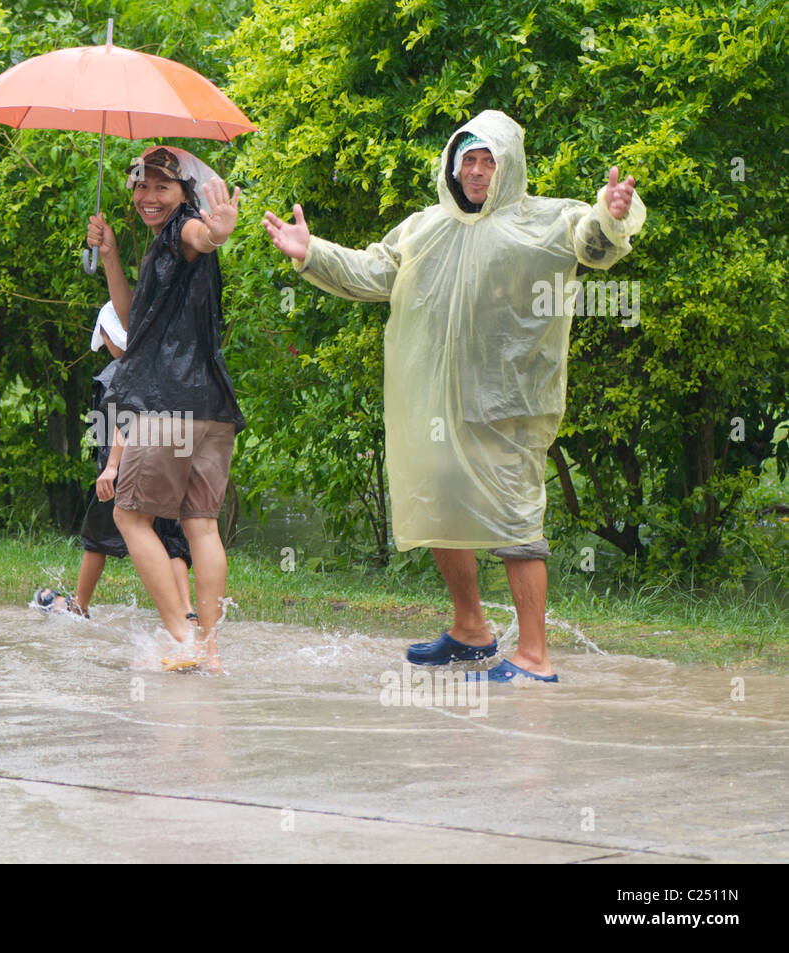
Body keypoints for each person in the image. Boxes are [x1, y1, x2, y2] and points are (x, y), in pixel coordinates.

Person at [263, 110, 645, 682]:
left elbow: (593, 244)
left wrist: (611, 217)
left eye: (490, 159)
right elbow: (376, 273)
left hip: (512, 405)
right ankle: (471, 629)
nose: (477, 170)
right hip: (439, 408)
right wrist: (311, 250)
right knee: (440, 502)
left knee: (518, 526)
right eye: (469, 158)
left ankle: (535, 655)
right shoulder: (424, 229)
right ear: (452, 162)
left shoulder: (544, 220)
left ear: (508, 165)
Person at [87, 146, 245, 673]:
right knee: (201, 524)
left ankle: (184, 639)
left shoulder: (183, 231)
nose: (147, 196)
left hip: (168, 405)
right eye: (140, 185)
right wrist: (110, 256)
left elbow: (202, 238)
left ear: (183, 194)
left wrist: (217, 230)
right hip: (211, 409)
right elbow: (134, 326)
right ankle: (211, 649)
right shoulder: (159, 246)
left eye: (161, 186)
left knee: (130, 516)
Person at [34, 302, 196, 621]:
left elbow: (117, 427)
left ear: (110, 334)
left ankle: (78, 604)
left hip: (126, 469)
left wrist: (109, 470)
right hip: (169, 466)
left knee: (96, 536)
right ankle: (188, 612)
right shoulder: (167, 370)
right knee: (171, 536)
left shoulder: (114, 377)